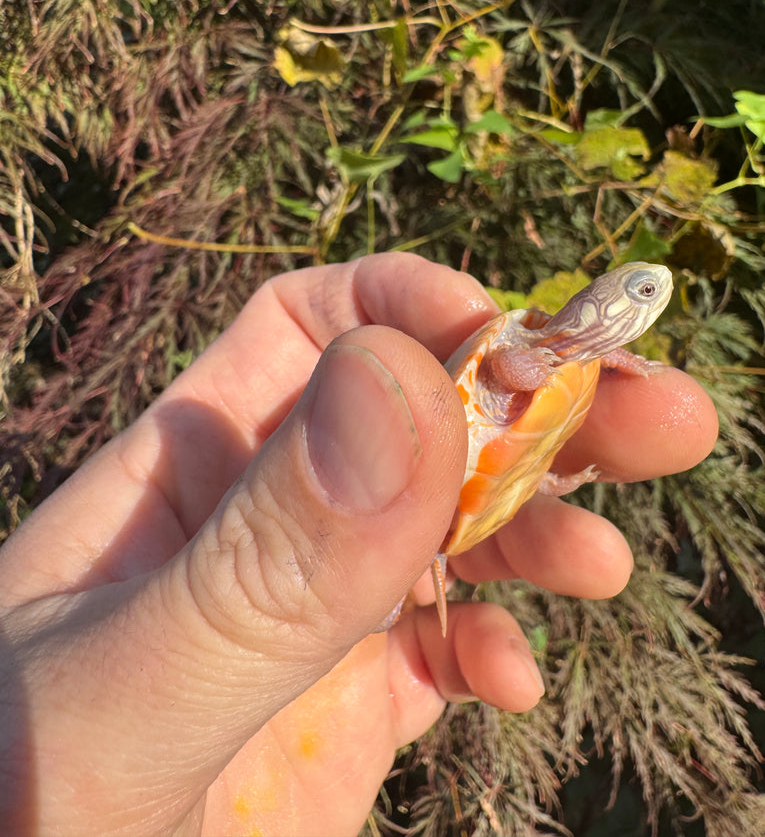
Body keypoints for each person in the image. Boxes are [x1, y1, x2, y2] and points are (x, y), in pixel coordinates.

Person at [0, 253, 718, 836]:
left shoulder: (573, 354)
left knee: (488, 520)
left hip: (496, 480)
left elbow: (543, 411)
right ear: (595, 302)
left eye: (646, 291)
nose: (652, 296)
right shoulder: (530, 346)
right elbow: (508, 369)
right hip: (456, 451)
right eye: (640, 290)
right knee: (394, 582)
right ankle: (375, 605)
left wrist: (599, 370)